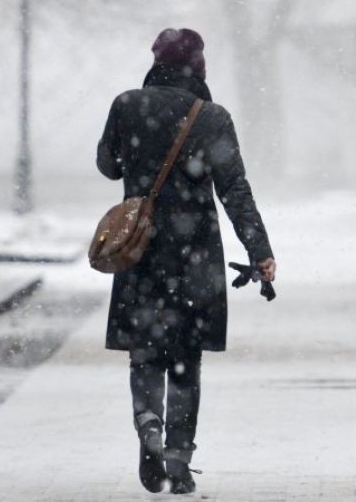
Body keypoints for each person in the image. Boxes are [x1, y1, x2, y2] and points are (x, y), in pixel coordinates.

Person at [96, 28, 276, 495]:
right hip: (196, 253)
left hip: (142, 248)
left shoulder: (127, 105)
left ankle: (148, 425)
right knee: (185, 358)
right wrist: (260, 251)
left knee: (145, 350)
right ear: (197, 66)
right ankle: (178, 457)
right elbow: (234, 188)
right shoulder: (212, 117)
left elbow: (108, 165)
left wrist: (138, 159)